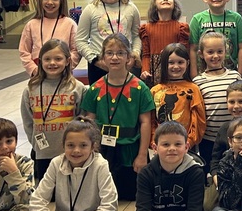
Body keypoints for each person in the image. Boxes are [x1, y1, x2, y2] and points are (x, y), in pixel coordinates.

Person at [113, 121, 222, 211]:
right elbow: (143, 210)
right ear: (155, 148)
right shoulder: (146, 173)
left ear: (186, 147)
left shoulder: (195, 172)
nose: (172, 149)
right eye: (165, 145)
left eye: (178, 144)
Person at [16, 118, 118, 211]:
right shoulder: (56, 163)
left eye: (83, 145)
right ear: (63, 145)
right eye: (70, 145)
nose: (76, 150)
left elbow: (110, 205)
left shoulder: (100, 165)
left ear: (93, 146)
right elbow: (37, 200)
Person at [81, 33, 156, 200]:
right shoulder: (95, 88)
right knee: (103, 196)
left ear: (129, 57)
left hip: (131, 151)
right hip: (103, 150)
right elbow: (90, 122)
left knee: (129, 196)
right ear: (102, 57)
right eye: (109, 53)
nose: (115, 57)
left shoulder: (140, 89)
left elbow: (145, 122)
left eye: (120, 53)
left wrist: (142, 154)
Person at [20, 38, 84, 183]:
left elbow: (82, 119)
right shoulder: (31, 89)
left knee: (70, 192)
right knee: (47, 194)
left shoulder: (77, 88)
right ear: (40, 61)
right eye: (47, 59)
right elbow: (28, 120)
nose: (52, 63)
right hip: (43, 151)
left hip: (70, 152)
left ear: (67, 61)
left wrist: (77, 145)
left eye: (58, 59)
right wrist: (35, 143)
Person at [75, 0, 142, 84]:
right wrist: (94, 60)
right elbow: (80, 40)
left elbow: (136, 36)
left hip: (126, 63)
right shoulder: (90, 10)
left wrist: (135, 54)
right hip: (99, 65)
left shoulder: (131, 9)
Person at [194, 31, 242, 165]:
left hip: (234, 136)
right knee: (210, 172)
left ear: (225, 52)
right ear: (201, 54)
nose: (215, 56)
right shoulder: (198, 82)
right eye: (210, 52)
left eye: (220, 51)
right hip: (208, 139)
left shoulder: (234, 76)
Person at [150, 42, 206, 153]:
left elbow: (199, 120)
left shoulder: (193, 89)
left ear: (188, 63)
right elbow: (151, 121)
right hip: (161, 146)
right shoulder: (155, 90)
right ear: (164, 64)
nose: (176, 66)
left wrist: (189, 141)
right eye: (171, 62)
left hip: (186, 146)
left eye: (180, 62)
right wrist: (153, 141)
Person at [18, 0, 78, 76]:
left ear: (61, 0)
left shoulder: (70, 24)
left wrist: (65, 67)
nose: (50, 2)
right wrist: (33, 69)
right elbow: (24, 51)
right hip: (38, 76)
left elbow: (76, 51)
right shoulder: (31, 25)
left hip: (63, 76)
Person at [189, 0, 242, 75]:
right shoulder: (197, 19)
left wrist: (240, 75)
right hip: (204, 73)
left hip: (231, 72)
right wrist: (194, 76)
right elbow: (193, 49)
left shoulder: (236, 18)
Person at [140, 0, 189, 84]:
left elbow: (184, 54)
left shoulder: (182, 28)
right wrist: (145, 70)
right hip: (154, 73)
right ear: (154, 5)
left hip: (175, 70)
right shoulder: (146, 29)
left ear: (175, 4)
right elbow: (146, 54)